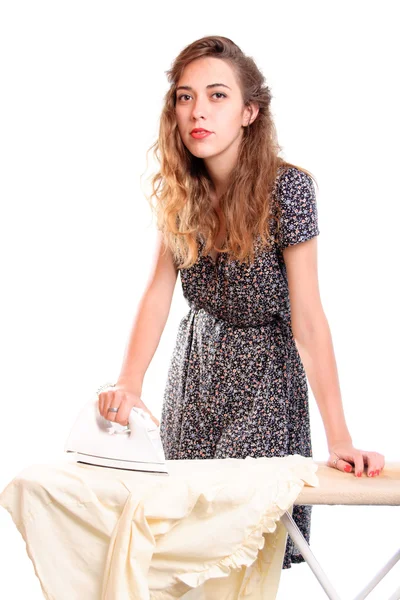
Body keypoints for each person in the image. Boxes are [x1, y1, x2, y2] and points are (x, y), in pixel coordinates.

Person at [97, 35, 385, 569]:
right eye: (185, 97)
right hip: (195, 374)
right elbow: (157, 293)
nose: (197, 111)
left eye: (217, 96)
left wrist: (339, 436)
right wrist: (129, 382)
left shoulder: (289, 190)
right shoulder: (181, 189)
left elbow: (309, 319)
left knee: (245, 547)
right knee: (186, 548)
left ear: (250, 111)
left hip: (263, 383)